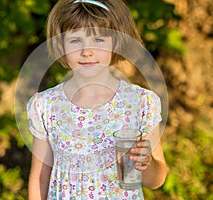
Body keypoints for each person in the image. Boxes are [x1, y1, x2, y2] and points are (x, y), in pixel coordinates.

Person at [27, 0, 168, 199]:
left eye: (99, 40)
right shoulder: (46, 106)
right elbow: (40, 178)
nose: (87, 51)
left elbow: (156, 180)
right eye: (75, 40)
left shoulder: (140, 103)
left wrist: (146, 162)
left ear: (117, 43)